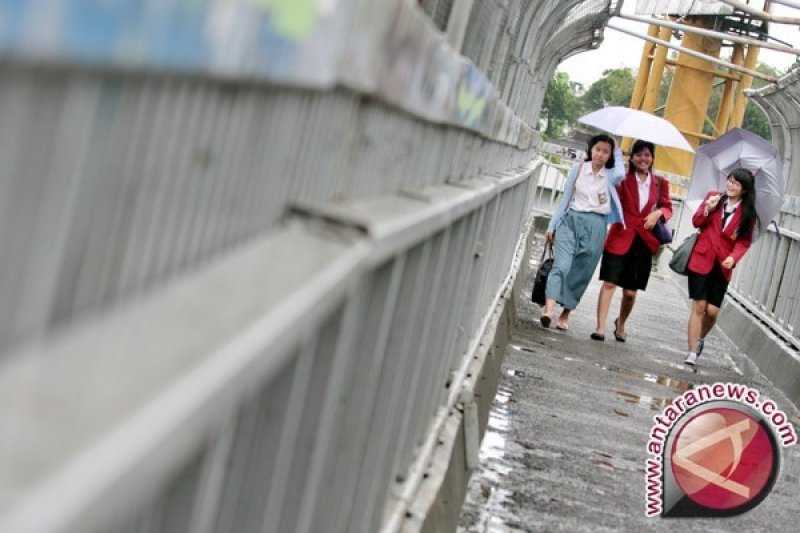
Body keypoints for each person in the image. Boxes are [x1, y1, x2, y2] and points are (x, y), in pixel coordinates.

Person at [542, 134, 625, 330]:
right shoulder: (578, 169)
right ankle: (549, 310)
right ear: (590, 150)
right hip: (571, 221)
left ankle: (565, 314)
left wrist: (618, 148)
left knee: (582, 272)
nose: (600, 154)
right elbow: (565, 199)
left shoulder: (611, 176)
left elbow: (621, 173)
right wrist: (552, 225)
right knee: (561, 266)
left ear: (610, 155)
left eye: (606, 151)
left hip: (596, 226)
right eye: (598, 149)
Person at [592, 140, 672, 341]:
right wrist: (617, 154)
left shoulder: (660, 183)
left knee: (630, 292)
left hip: (643, 241)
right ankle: (600, 327)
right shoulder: (622, 179)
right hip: (620, 236)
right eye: (638, 155)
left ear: (652, 158)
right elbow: (609, 197)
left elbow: (668, 206)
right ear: (632, 157)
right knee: (609, 283)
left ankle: (621, 323)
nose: (643, 159)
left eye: (647, 155)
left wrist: (659, 213)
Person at [684, 168, 757, 367]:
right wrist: (707, 208)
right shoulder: (714, 198)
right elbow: (696, 222)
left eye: (736, 183)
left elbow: (743, 242)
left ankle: (699, 339)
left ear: (744, 190)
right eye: (730, 181)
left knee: (713, 311)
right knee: (699, 306)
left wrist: (733, 258)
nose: (731, 185)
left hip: (723, 265)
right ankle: (691, 352)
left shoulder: (748, 214)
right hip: (702, 259)